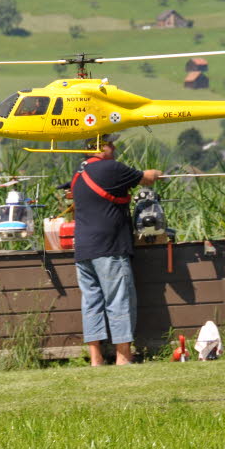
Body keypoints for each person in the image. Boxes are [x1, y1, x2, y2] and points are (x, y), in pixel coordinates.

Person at [69, 136, 162, 366]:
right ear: (100, 148)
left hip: (83, 249)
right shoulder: (112, 168)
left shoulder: (79, 174)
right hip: (109, 248)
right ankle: (123, 356)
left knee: (91, 303)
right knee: (119, 300)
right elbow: (147, 179)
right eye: (111, 143)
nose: (115, 147)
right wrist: (160, 172)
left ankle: (96, 359)